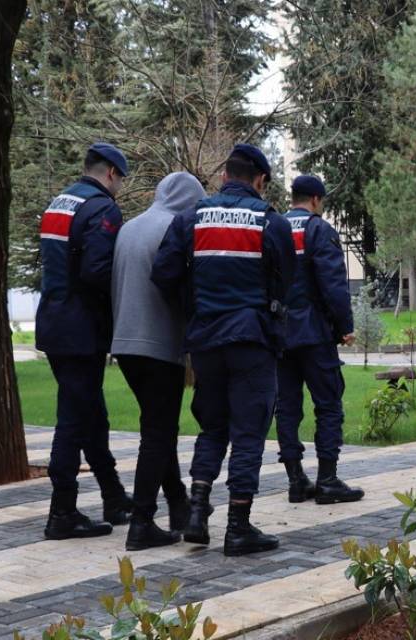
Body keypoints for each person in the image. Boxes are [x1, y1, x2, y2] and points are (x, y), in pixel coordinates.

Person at [152, 144, 295, 557]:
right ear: (260, 180)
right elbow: (287, 282)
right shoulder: (269, 221)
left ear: (224, 176)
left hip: (207, 342)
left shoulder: (191, 218)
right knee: (248, 433)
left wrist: (195, 306)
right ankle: (238, 526)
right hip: (251, 339)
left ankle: (196, 516)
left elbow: (163, 273)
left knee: (213, 428)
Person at [35, 143, 134, 541]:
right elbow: (98, 270)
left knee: (91, 414)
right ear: (111, 172)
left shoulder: (61, 202)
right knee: (75, 419)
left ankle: (114, 496)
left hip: (56, 321)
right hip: (82, 327)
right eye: (120, 179)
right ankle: (62, 511)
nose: (120, 188)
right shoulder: (101, 208)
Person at [110, 172, 206, 551]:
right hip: (158, 343)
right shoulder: (175, 227)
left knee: (158, 426)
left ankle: (178, 506)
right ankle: (142, 522)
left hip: (125, 343)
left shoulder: (130, 226)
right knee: (157, 434)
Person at [274, 176, 364, 504]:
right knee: (328, 404)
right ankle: (327, 479)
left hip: (280, 335)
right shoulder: (319, 230)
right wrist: (345, 325)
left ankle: (296, 480)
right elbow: (333, 284)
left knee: (286, 407)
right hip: (314, 333)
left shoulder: (274, 227)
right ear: (315, 199)